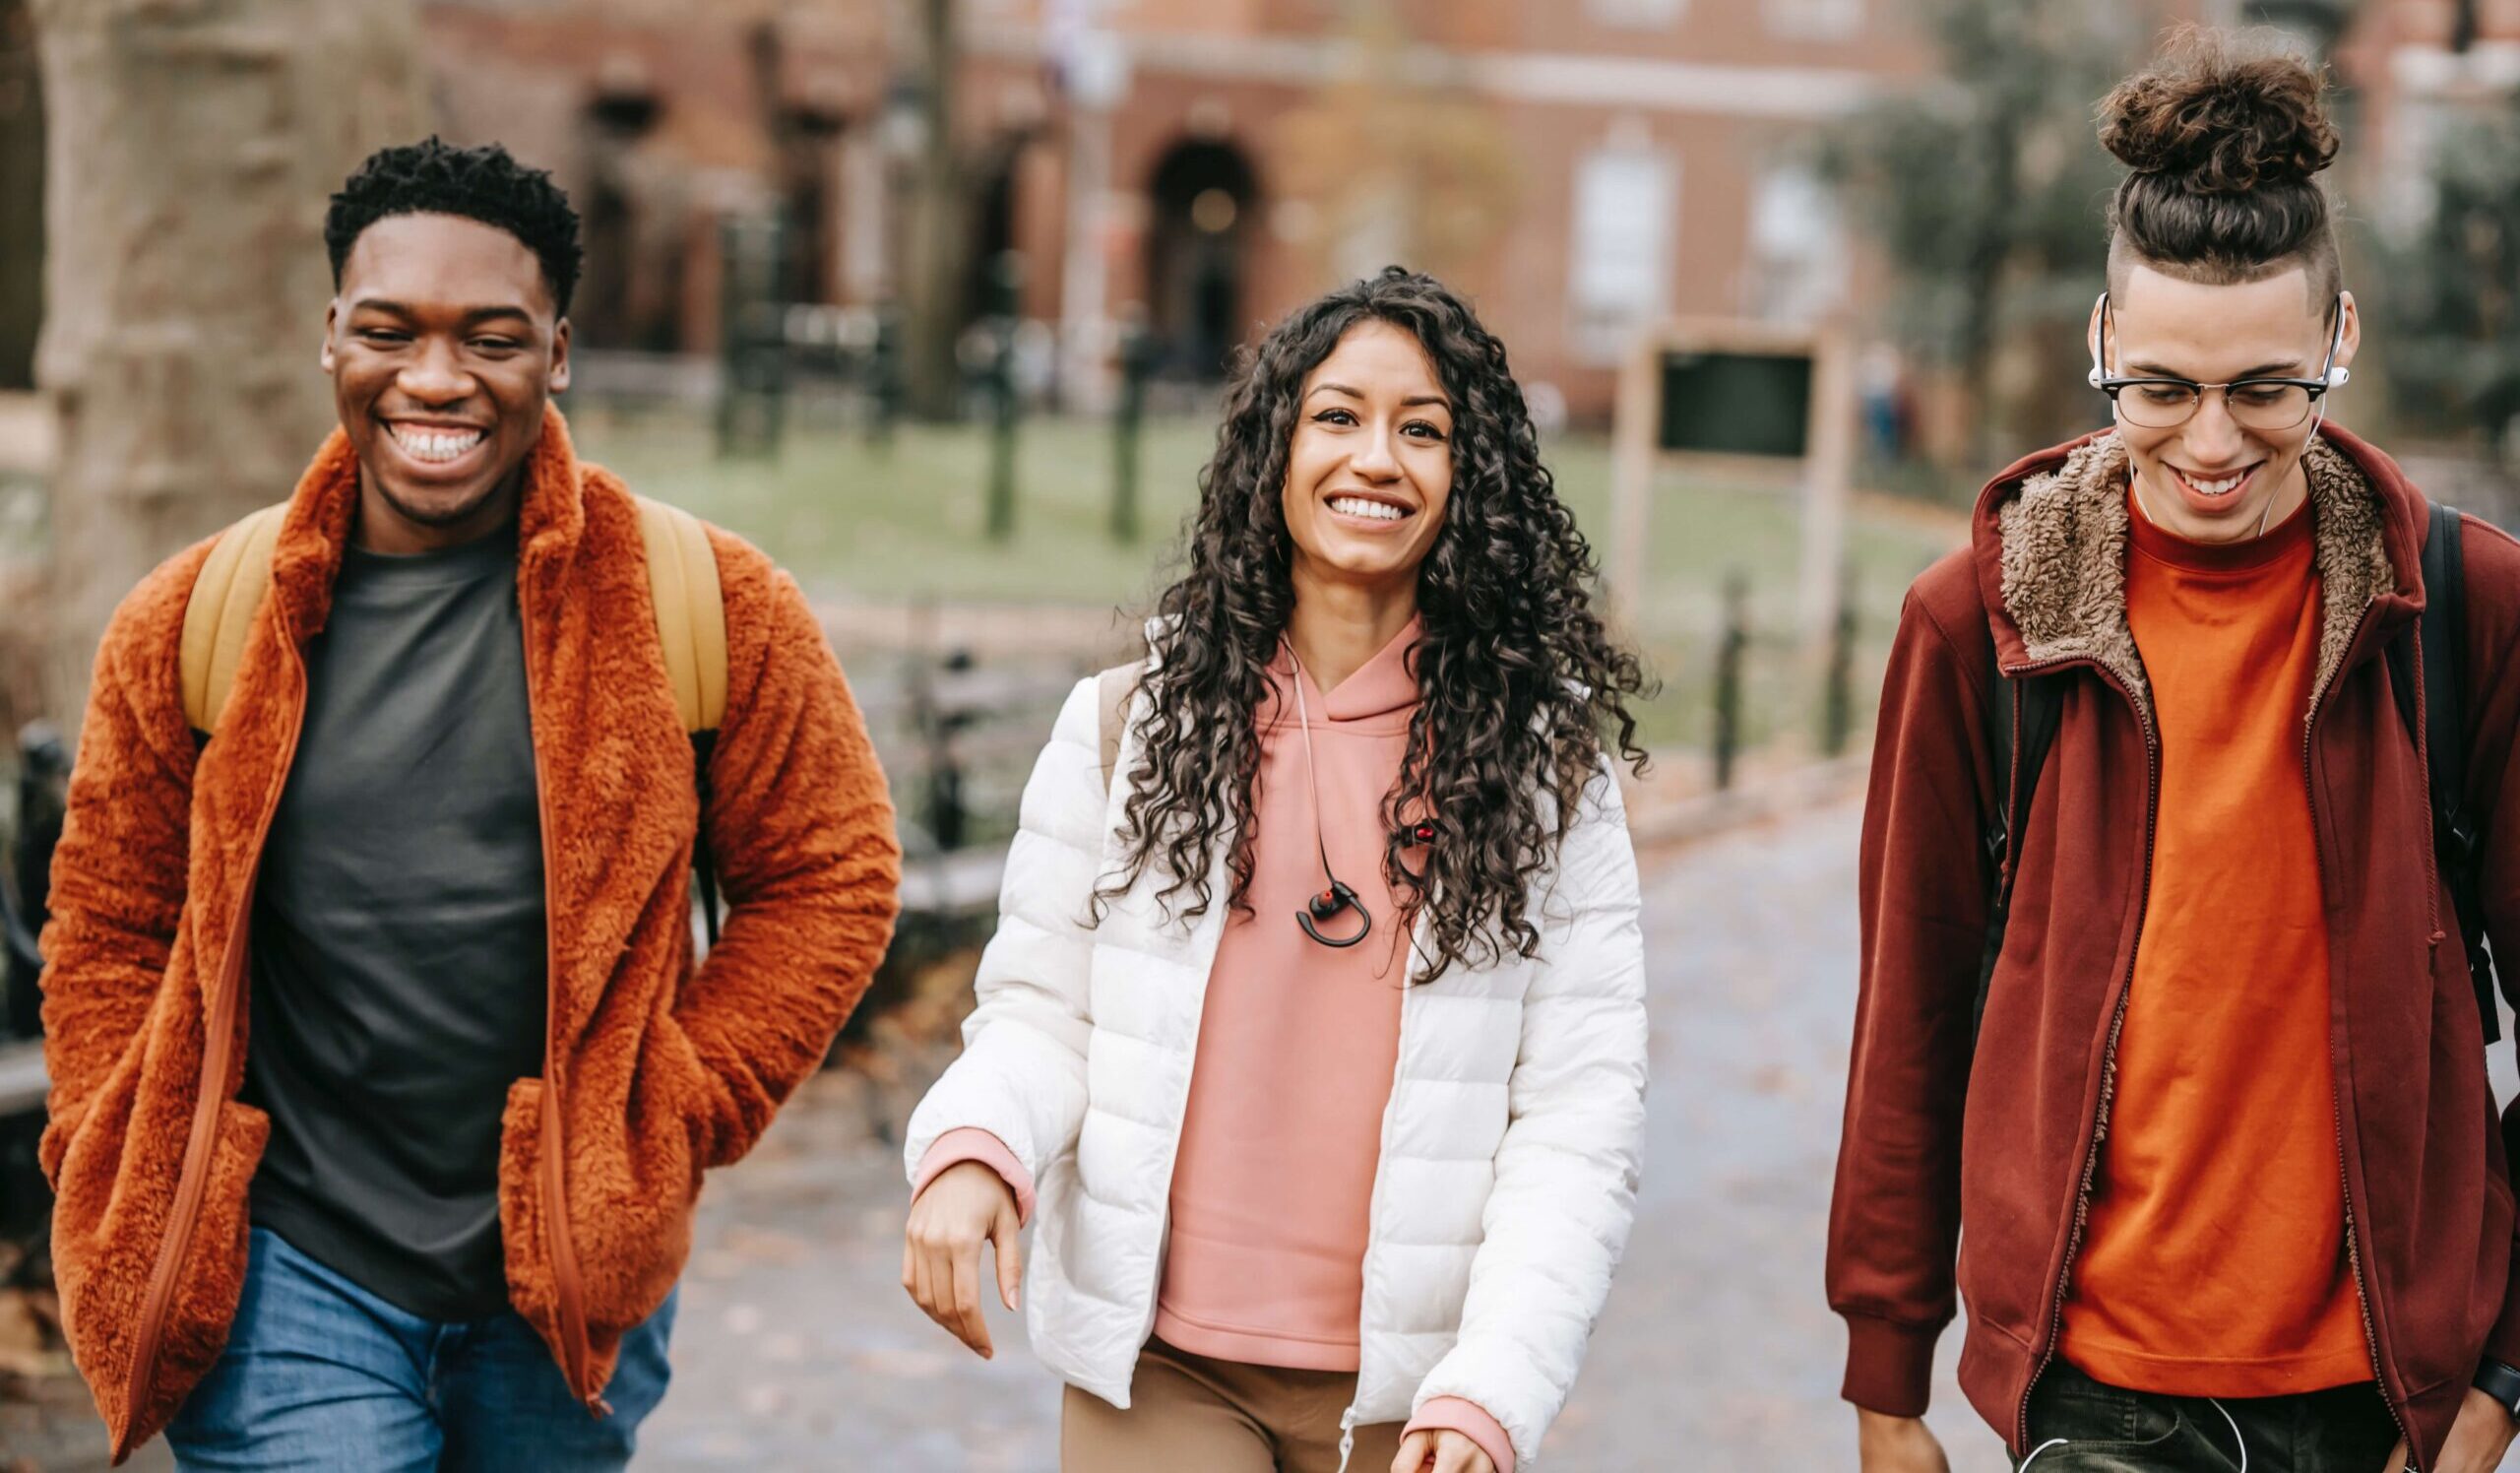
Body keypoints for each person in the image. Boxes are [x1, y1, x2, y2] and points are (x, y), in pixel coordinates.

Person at [37, 138, 902, 1470]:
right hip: (283, 1271)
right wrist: (120, 1149)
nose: (434, 379)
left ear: (556, 352)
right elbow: (106, 921)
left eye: (489, 339)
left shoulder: (703, 603)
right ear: (333, 338)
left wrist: (669, 1106)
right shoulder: (196, 619)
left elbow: (830, 877)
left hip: (564, 1285)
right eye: (389, 332)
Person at [1831, 32, 2520, 1473]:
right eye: (2159, 390)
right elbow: (1911, 1015)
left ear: (2341, 343)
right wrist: (1886, 1381)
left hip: (2387, 1398)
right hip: (2093, 1396)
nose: (2212, 443)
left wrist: (2500, 1379)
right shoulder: (1979, 624)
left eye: (2267, 389)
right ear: (2101, 344)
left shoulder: (2466, 613)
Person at [899, 268, 1650, 1473]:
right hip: (1163, 1368)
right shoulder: (1126, 728)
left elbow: (1576, 1120)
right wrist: (977, 1145)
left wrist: (1492, 1387)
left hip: (1417, 1399)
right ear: (1274, 449)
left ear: (1475, 480)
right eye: (1337, 415)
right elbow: (1043, 1011)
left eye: (1423, 428)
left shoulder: (1547, 774)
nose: (1376, 457)